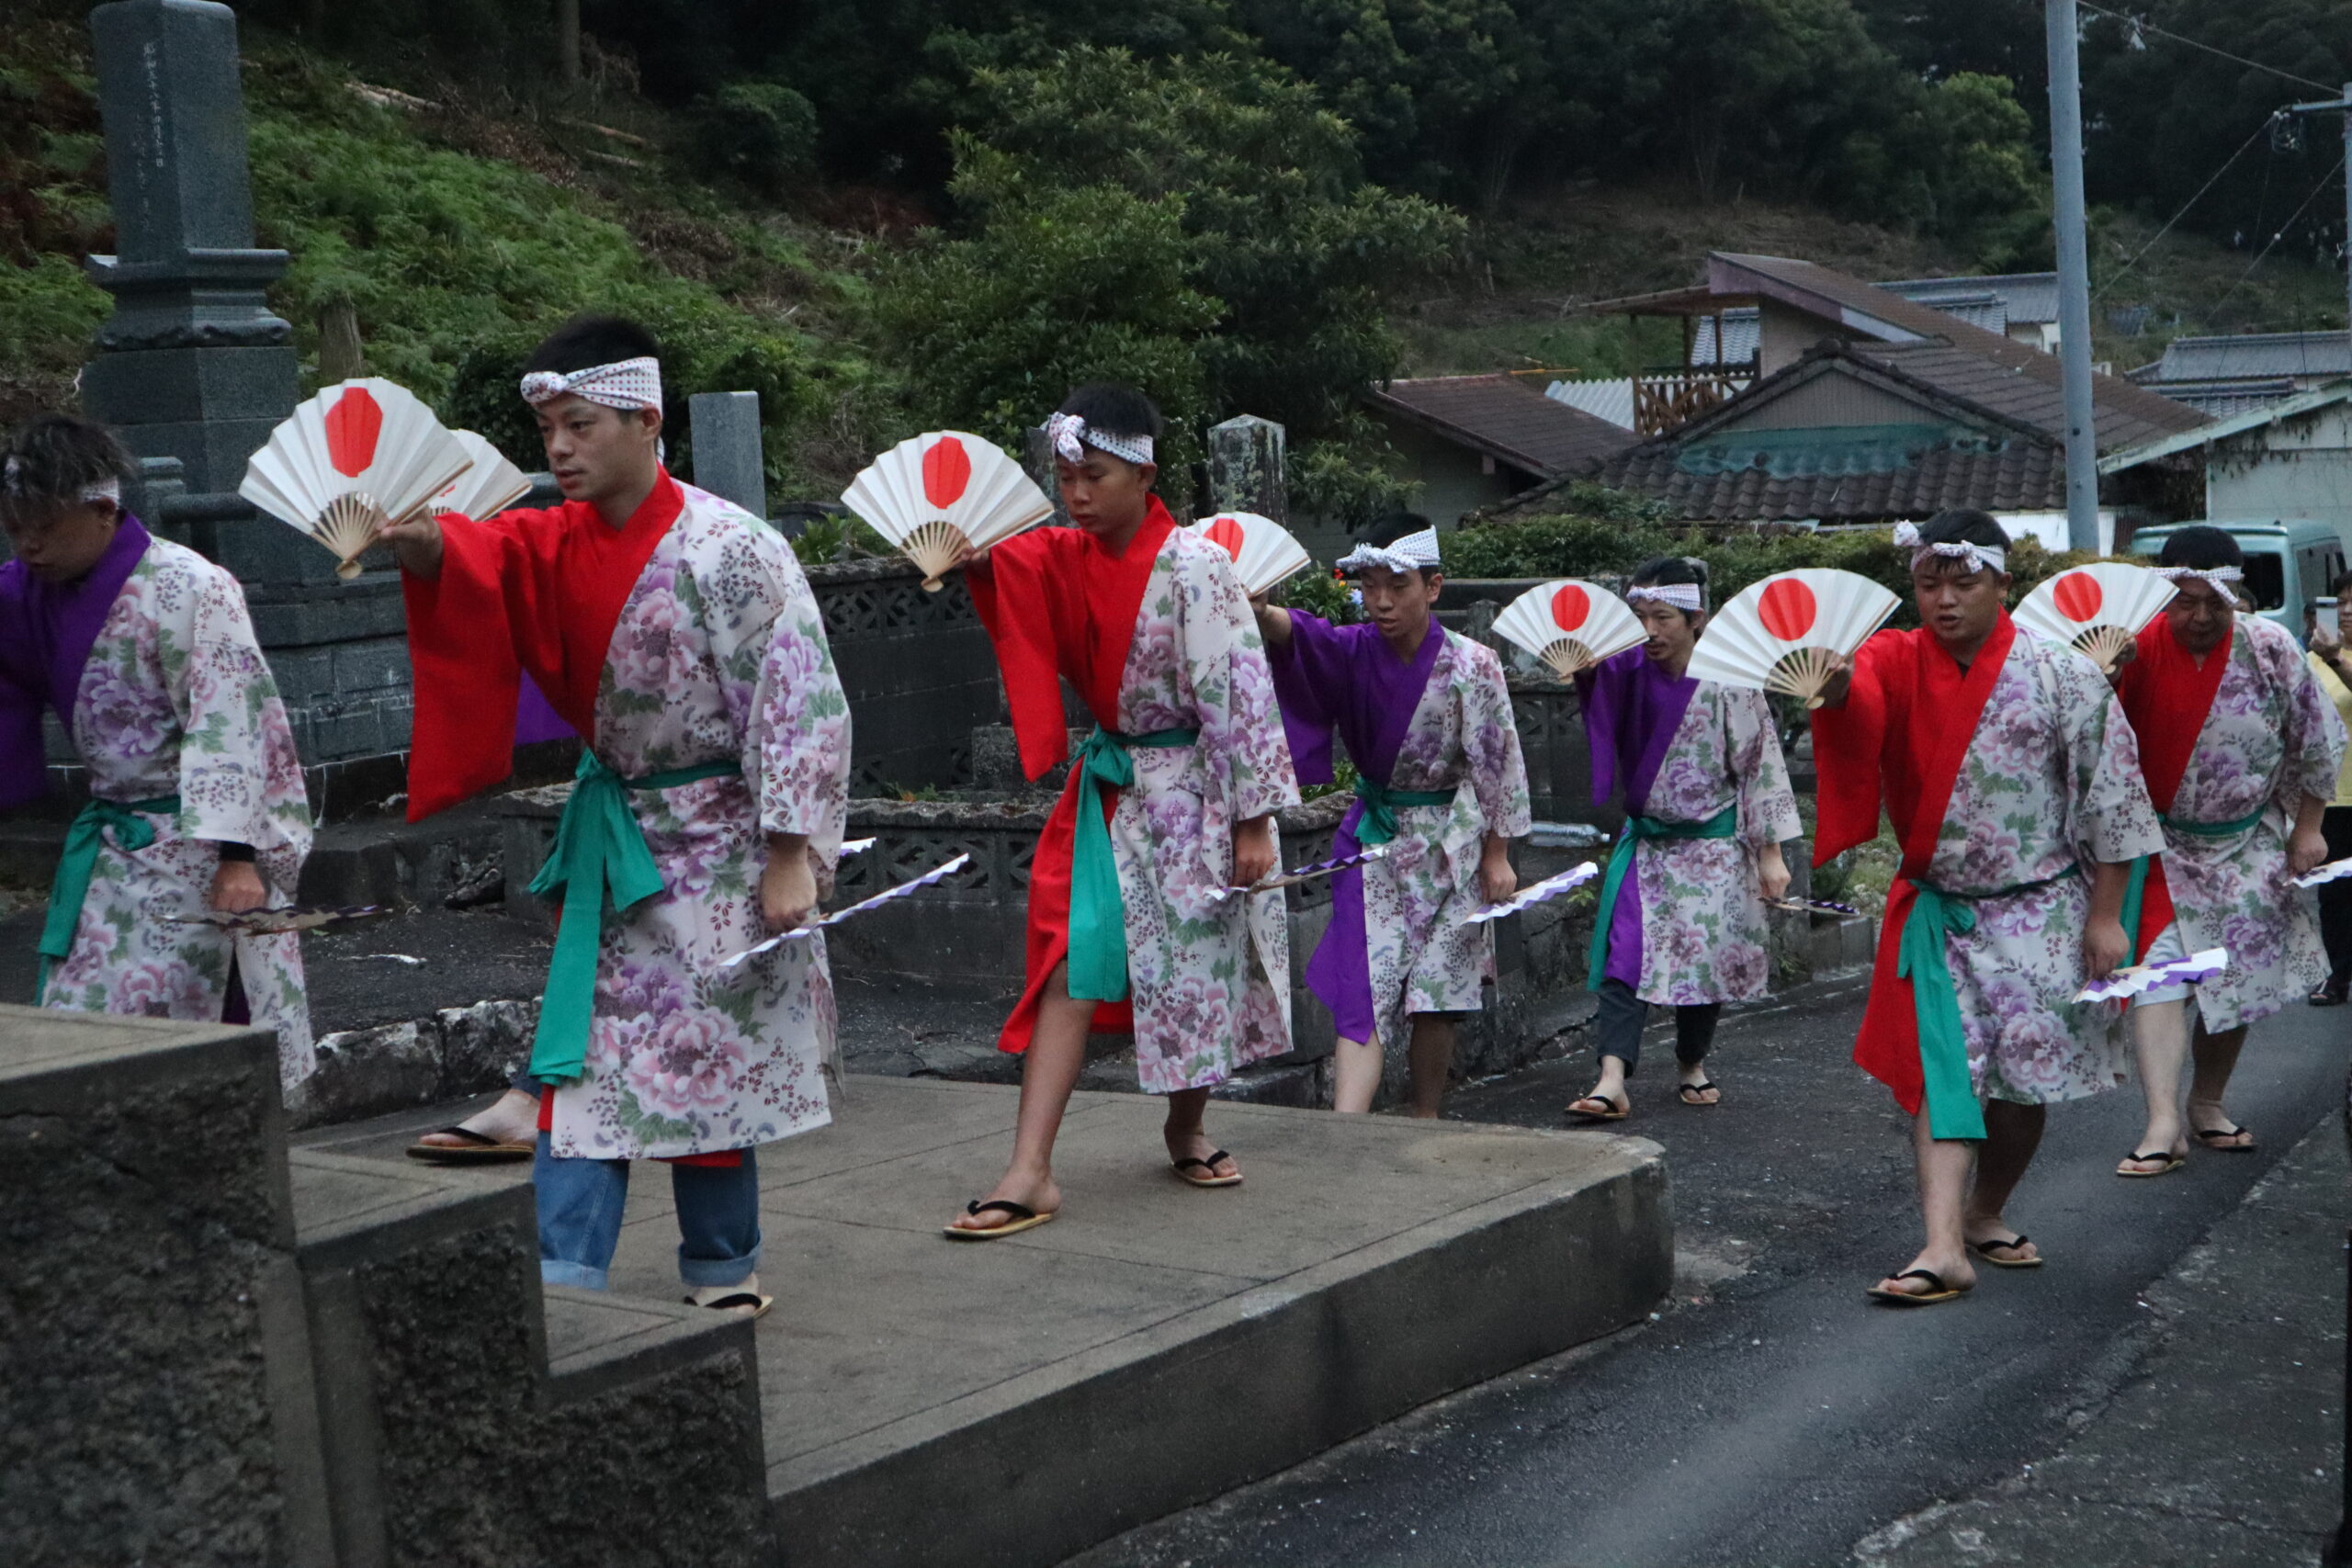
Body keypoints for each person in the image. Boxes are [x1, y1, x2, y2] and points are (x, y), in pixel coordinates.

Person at [378, 315, 851, 1315]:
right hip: (620, 840)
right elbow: (479, 561)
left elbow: (799, 703)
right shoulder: (552, 536)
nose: (558, 449)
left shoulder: (732, 548)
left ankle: (723, 1268)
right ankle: (565, 1281)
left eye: (579, 426)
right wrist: (422, 545)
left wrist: (788, 854)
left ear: (643, 420)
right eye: (548, 428)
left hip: (727, 839)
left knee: (708, 1066)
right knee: (581, 1069)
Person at [944, 384, 1298, 1236]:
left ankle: (1186, 1122)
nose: (1074, 495)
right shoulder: (1063, 555)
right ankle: (1030, 1168)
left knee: (1197, 970)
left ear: (1144, 472)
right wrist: (971, 557)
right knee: (1072, 957)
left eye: (1092, 476)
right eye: (1066, 477)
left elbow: (1238, 689)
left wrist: (1253, 818)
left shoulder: (1197, 563)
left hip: (1199, 793)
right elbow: (1012, 571)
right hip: (1111, 797)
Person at [1814, 510, 2161, 1305]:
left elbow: (2113, 798)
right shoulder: (1890, 657)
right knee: (1947, 1074)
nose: (1943, 599)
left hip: (2040, 909)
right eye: (1928, 583)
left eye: (1963, 582)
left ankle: (1984, 1209)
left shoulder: (2060, 673)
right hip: (1941, 913)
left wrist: (2107, 916)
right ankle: (1941, 1246)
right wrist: (1830, 689)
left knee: (2020, 1085)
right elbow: (1856, 705)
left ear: (2004, 584)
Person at [0, 414, 315, 1089]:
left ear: (102, 510)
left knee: (201, 1025)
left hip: (200, 848)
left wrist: (239, 857)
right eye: (15, 524)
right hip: (111, 853)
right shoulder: (21, 594)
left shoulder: (190, 586)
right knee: (84, 1024)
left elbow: (235, 719)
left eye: (45, 526)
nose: (28, 543)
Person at [1253, 513, 1531, 1116]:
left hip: (1452, 843)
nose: (1379, 601)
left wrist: (1498, 853)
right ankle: (1346, 1127)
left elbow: (1497, 761)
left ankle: (1424, 1110)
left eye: (1397, 586)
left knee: (1437, 989)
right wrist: (1259, 609)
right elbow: (1302, 636)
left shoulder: (1473, 664)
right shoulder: (1353, 650)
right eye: (1369, 585)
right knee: (1364, 989)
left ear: (1433, 587)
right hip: (1376, 841)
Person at [2109, 527, 2343, 1176]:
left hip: (2246, 840)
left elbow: (2317, 736)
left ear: (2237, 594)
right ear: (2163, 596)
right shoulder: (2131, 649)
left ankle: (2206, 1102)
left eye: (2217, 599)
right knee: (2159, 974)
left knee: (2231, 979)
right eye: (2185, 601)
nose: (2202, 615)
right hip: (2158, 843)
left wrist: (2308, 825)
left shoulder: (2269, 647)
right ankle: (2162, 1120)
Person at [1565, 558, 1800, 1122]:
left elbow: (1758, 767)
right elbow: (1599, 708)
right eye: (1639, 616)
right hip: (1646, 846)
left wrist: (1770, 854)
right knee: (1626, 958)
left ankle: (1692, 1060)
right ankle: (1612, 1077)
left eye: (1663, 617)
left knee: (1704, 964)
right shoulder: (1623, 671)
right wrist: (1586, 670)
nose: (1649, 630)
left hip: (1713, 848)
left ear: (1698, 619)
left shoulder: (1732, 680)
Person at [2301, 576, 2352, 1006]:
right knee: (2334, 893)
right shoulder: (2311, 660)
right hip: (2332, 796)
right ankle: (2336, 976)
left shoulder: (2331, 659)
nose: (2348, 611)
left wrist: (2337, 659)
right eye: (2340, 603)